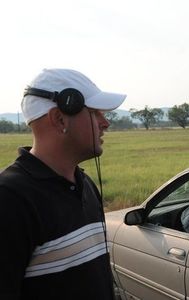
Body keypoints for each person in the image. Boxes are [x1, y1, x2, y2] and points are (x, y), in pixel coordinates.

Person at [0, 68, 126, 299]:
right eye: (95, 113)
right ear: (59, 119)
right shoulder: (9, 199)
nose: (105, 122)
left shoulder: (85, 184)